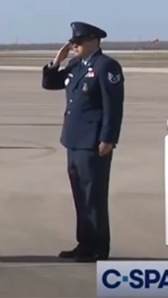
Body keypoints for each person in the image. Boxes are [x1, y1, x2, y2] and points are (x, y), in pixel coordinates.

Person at [41, 21, 124, 262]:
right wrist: (56, 61)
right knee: (80, 195)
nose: (73, 46)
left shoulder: (106, 66)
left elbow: (113, 106)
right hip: (74, 140)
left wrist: (108, 138)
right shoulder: (76, 65)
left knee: (94, 197)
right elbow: (49, 84)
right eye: (72, 43)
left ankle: (98, 247)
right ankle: (84, 243)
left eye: (77, 42)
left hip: (93, 142)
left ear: (93, 41)